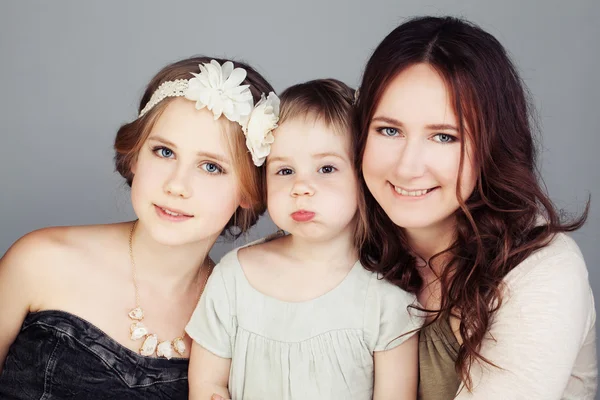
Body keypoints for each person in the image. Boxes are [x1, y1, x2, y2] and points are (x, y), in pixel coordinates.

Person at [0, 57, 278, 399]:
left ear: (249, 191)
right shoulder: (41, 261)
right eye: (164, 151)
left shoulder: (241, 318)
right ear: (134, 156)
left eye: (210, 166)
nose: (177, 186)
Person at [354, 16, 597, 399]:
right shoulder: (350, 240)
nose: (407, 166)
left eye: (444, 136)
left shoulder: (541, 268)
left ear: (491, 147)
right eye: (389, 130)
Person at [186, 79, 423, 400]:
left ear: (362, 175)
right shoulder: (233, 277)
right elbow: (206, 385)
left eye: (326, 168)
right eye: (285, 171)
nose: (301, 187)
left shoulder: (385, 296)